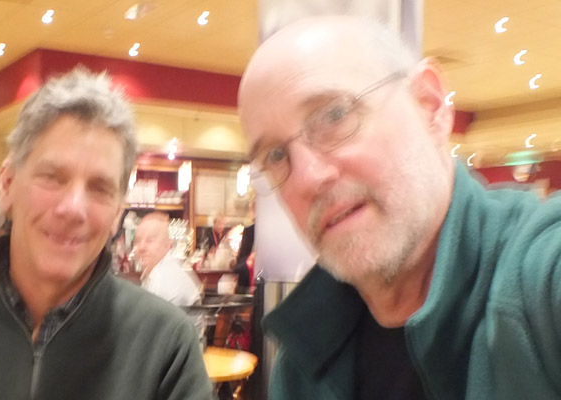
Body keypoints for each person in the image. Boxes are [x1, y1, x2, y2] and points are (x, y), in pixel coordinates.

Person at [239, 16, 561, 400]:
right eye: (276, 156)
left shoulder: (538, 276)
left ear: (429, 105)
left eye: (335, 115)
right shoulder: (302, 355)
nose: (307, 178)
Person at [0, 68, 213, 400]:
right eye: (52, 177)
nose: (73, 208)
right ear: (7, 184)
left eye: (99, 188)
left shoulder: (166, 346)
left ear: (118, 212)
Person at [134, 212, 202, 307]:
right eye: (138, 240)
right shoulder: (156, 272)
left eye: (150, 240)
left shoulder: (165, 279)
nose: (141, 247)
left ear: (167, 245)